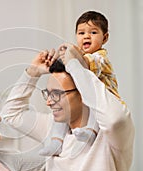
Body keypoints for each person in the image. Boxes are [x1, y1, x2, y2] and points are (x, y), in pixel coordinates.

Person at [1, 46, 135, 171]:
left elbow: (115, 119)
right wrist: (32, 73)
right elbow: (11, 113)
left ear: (84, 93)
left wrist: (74, 65)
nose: (49, 102)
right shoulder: (52, 129)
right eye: (48, 93)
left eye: (57, 94)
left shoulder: (110, 135)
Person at [39, 10, 123, 156]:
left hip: (102, 101)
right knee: (62, 116)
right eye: (81, 33)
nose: (86, 36)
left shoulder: (100, 57)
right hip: (86, 98)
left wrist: (71, 54)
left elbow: (84, 65)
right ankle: (56, 142)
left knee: (93, 112)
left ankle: (90, 132)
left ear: (105, 37)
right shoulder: (79, 55)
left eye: (93, 32)